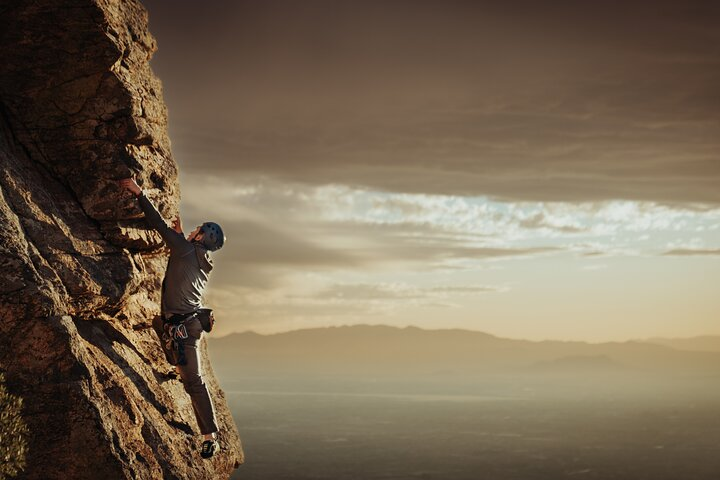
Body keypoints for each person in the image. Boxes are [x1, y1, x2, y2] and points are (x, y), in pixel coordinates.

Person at [119, 177, 225, 459]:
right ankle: (177, 366)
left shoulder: (186, 248)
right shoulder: (196, 254)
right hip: (180, 323)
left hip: (184, 328)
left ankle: (210, 437)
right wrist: (182, 238)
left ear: (201, 237)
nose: (193, 230)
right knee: (160, 328)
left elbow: (157, 224)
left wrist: (139, 192)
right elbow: (182, 255)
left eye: (197, 229)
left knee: (194, 382)